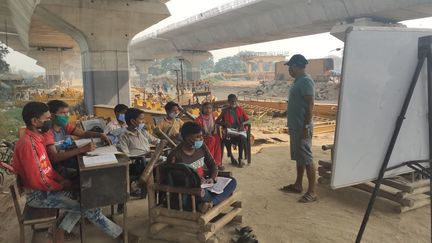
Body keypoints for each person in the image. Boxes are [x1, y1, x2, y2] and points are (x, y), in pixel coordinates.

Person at [11, 102, 132, 242]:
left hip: (47, 188)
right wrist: (62, 185)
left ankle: (60, 231)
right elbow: (38, 180)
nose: (49, 121)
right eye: (47, 118)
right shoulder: (28, 145)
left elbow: (47, 169)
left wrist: (61, 181)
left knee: (86, 197)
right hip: (39, 195)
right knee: (87, 205)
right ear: (34, 121)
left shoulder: (36, 139)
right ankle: (121, 235)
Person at [167, 122, 236, 213]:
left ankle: (210, 203)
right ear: (188, 138)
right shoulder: (175, 155)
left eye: (201, 136)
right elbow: (177, 181)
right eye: (198, 137)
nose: (201, 139)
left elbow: (212, 164)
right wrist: (197, 181)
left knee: (232, 181)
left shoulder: (202, 147)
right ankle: (211, 201)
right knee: (203, 193)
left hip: (207, 184)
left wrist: (212, 178)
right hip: (192, 191)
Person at [280, 54, 317, 203]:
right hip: (295, 126)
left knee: (307, 159)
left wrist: (305, 126)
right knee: (299, 158)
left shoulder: (306, 81)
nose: (289, 70)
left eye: (290, 67)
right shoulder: (298, 82)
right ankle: (298, 185)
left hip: (302, 127)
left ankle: (312, 192)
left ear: (296, 66)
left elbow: (310, 105)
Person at [44, 100, 111, 175]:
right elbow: (54, 157)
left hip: (69, 160)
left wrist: (100, 135)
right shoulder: (48, 132)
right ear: (52, 116)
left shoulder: (65, 126)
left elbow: (84, 133)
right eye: (63, 113)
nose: (67, 116)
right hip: (59, 168)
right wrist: (82, 149)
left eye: (67, 112)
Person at [216, 94, 249, 167]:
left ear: (236, 100)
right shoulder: (225, 111)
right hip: (230, 131)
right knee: (227, 139)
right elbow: (217, 121)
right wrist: (225, 123)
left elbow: (248, 121)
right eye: (231, 101)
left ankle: (240, 159)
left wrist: (243, 124)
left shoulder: (240, 109)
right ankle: (231, 157)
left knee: (242, 138)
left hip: (239, 130)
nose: (233, 102)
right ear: (228, 102)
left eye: (235, 101)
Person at [194, 102, 223, 170]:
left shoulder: (212, 117)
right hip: (201, 137)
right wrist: (205, 134)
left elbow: (213, 128)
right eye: (206, 108)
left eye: (210, 108)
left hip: (210, 135)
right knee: (212, 139)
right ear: (202, 109)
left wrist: (213, 132)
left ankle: (217, 162)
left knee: (217, 138)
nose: (208, 110)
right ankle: (210, 163)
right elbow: (197, 132)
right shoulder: (199, 119)